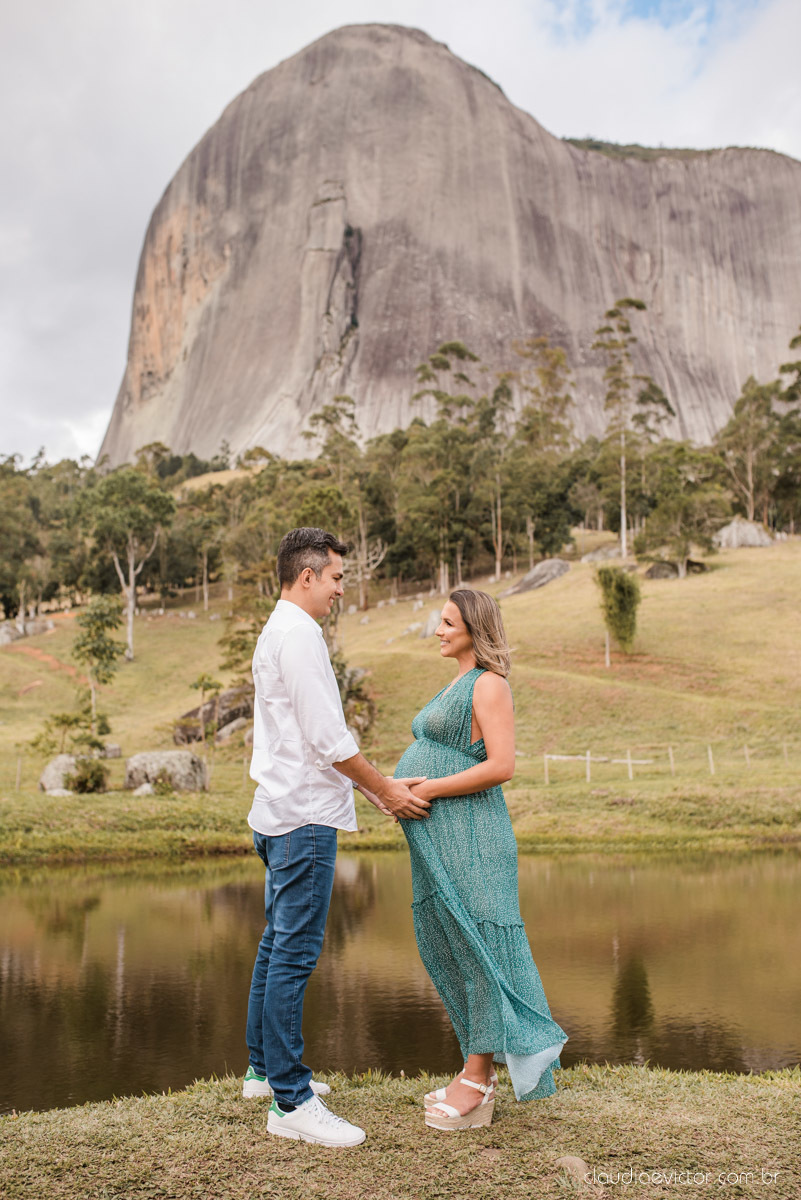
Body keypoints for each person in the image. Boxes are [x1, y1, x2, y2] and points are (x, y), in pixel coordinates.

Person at [244, 527, 430, 1148]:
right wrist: (386, 789)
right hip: (302, 819)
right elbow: (328, 739)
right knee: (293, 954)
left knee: (275, 946)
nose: (341, 589)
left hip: (278, 809)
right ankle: (290, 1103)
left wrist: (375, 790)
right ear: (307, 577)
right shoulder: (298, 636)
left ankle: (263, 1072)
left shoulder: (278, 630)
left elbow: (307, 735)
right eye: (337, 578)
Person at [394, 587, 567, 1130]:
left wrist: (433, 788)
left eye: (448, 623)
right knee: (448, 943)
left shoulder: (489, 684)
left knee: (480, 948)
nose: (439, 631)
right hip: (441, 838)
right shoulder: (456, 682)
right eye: (440, 622)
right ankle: (478, 1069)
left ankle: (477, 1076)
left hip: (474, 837)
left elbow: (502, 765)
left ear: (474, 627)